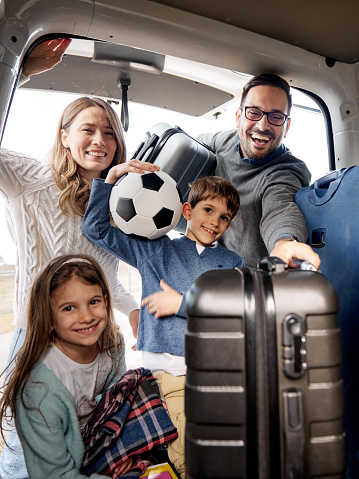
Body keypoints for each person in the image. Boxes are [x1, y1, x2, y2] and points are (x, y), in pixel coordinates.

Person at [0, 40, 144, 479]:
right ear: (64, 136)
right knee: (24, 459)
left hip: (97, 345)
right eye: (87, 129)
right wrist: (16, 71)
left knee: (84, 451)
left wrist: (135, 311)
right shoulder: (28, 178)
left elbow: (109, 282)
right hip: (37, 341)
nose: (99, 141)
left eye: (109, 133)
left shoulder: (120, 204)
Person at [81, 170, 245, 477]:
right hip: (167, 373)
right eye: (208, 210)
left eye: (224, 217)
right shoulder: (156, 249)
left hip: (216, 374)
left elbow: (234, 313)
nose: (215, 222)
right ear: (187, 210)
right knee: (189, 455)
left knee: (222, 449)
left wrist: (181, 304)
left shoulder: (232, 262)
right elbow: (95, 228)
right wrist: (109, 180)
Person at [0, 254, 132, 478]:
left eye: (93, 302)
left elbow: (117, 402)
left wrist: (123, 451)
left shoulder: (113, 342)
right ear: (49, 319)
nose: (87, 316)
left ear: (106, 301)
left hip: (80, 448)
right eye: (69, 308)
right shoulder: (40, 389)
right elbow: (55, 474)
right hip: (34, 465)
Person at [197, 73, 321, 269]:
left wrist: (284, 243)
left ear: (286, 126)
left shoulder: (286, 171)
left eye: (276, 116)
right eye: (254, 112)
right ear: (239, 117)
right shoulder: (224, 142)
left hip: (253, 280)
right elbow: (189, 144)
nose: (263, 125)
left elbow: (280, 208)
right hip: (212, 264)